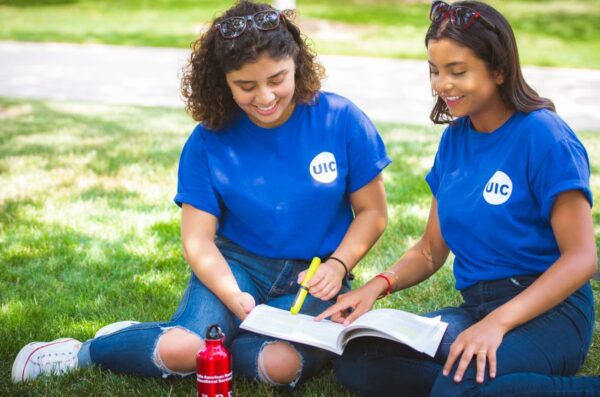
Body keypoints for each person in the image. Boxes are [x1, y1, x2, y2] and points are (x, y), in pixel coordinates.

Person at [11, 0, 390, 387]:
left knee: (279, 367)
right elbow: (197, 241)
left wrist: (339, 265)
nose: (264, 97)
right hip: (236, 266)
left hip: (314, 276)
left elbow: (372, 213)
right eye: (246, 85)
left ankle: (223, 338)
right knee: (183, 350)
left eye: (277, 79)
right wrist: (233, 295)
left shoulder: (341, 119)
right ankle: (86, 349)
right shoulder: (208, 140)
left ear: (298, 65)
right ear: (223, 81)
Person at [317, 1, 600, 396]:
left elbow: (582, 258)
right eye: (435, 70)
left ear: (499, 70)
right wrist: (375, 287)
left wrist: (498, 324)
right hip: (477, 308)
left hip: (549, 312)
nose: (441, 84)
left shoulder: (545, 136)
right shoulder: (455, 140)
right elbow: (432, 250)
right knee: (359, 361)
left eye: (457, 71)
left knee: (460, 386)